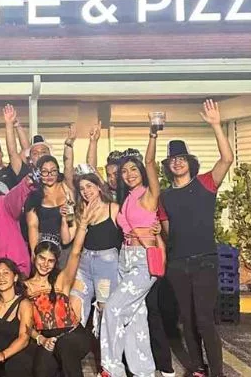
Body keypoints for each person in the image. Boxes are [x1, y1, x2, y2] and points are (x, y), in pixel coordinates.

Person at [158, 99, 234, 377]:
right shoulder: (165, 196)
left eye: (181, 158)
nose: (177, 162)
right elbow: (167, 231)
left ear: (190, 162)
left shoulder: (205, 183)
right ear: (168, 166)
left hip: (204, 262)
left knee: (204, 320)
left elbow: (227, 159)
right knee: (187, 321)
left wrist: (216, 125)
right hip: (178, 265)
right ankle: (198, 368)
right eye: (172, 159)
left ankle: (217, 372)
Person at [99, 127, 166, 377]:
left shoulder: (149, 194)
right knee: (136, 317)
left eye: (133, 169)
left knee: (113, 309)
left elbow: (150, 162)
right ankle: (144, 371)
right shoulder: (126, 198)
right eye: (124, 171)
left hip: (142, 260)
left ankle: (111, 368)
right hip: (124, 258)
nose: (128, 174)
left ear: (142, 172)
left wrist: (153, 135)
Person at [66, 169, 121, 366]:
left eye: (89, 186)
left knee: (105, 315)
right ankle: (70, 361)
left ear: (99, 187)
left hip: (106, 266)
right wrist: (67, 218)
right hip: (85, 264)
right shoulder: (81, 211)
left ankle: (107, 365)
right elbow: (66, 238)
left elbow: (129, 233)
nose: (86, 191)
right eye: (82, 188)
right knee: (73, 309)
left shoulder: (113, 208)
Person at [22, 220, 91, 377]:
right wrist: (40, 339)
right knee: (41, 370)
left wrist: (82, 226)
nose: (45, 264)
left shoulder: (61, 280)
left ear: (55, 263)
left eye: (50, 260)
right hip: (48, 339)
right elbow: (26, 324)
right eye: (42, 258)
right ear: (34, 257)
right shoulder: (24, 287)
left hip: (74, 335)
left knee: (64, 346)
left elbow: (75, 253)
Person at [25, 155, 74, 257]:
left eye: (53, 171)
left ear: (58, 171)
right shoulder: (33, 196)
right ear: (38, 173)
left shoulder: (67, 188)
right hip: (45, 245)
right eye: (44, 171)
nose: (49, 175)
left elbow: (68, 165)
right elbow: (33, 226)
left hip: (67, 242)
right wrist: (34, 252)